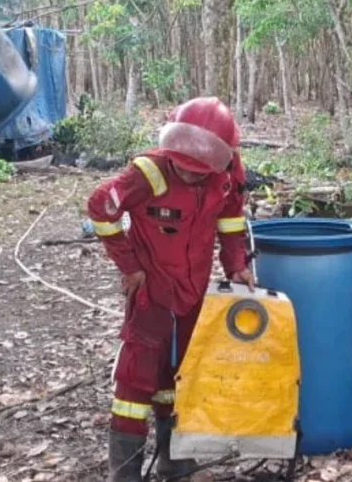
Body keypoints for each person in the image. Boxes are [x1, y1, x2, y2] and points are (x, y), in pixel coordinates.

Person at [87, 96, 255, 482]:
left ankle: (175, 461)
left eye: (201, 171)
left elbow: (230, 222)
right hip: (152, 293)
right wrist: (129, 266)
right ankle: (125, 474)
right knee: (136, 381)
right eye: (184, 166)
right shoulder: (149, 172)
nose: (191, 174)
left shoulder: (227, 174)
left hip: (193, 294)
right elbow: (101, 208)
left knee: (179, 375)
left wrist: (237, 267)